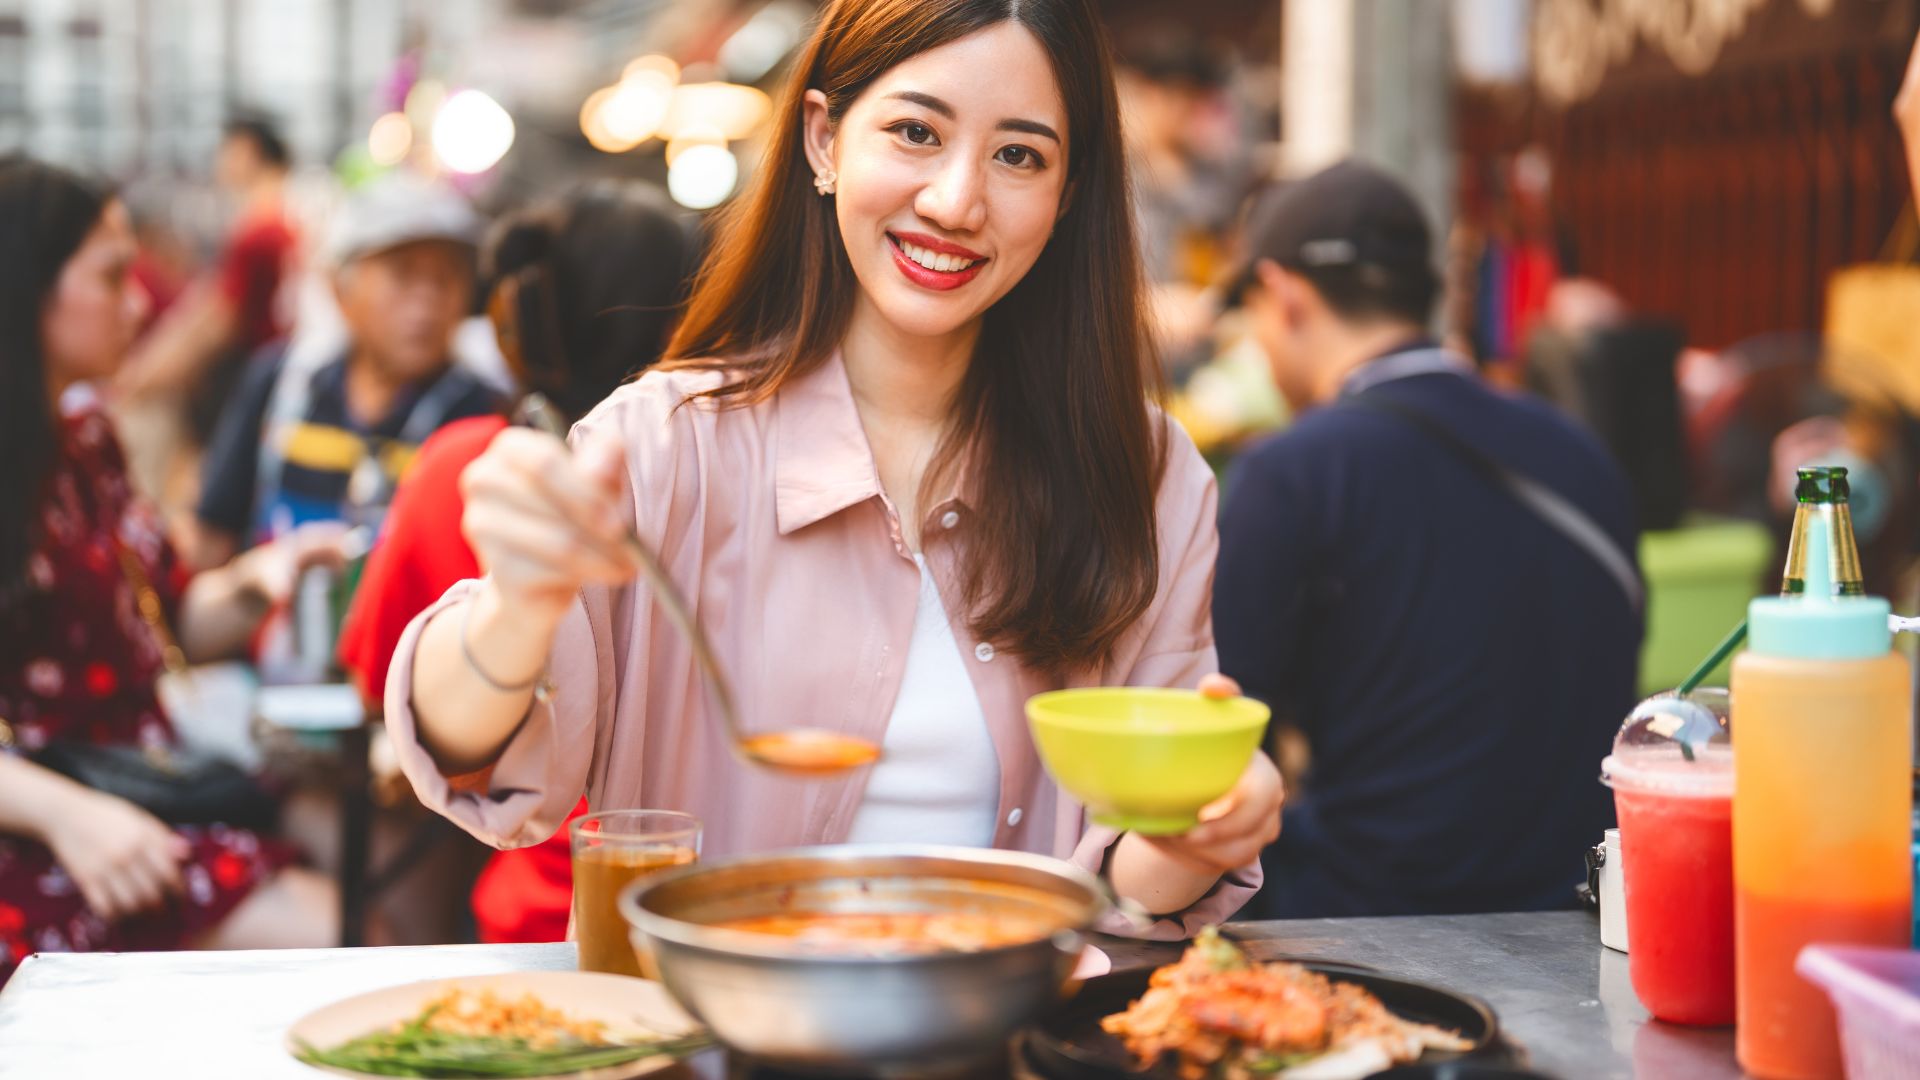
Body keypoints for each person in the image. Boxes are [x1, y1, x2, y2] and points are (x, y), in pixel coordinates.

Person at [387, 0, 1281, 936]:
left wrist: (1197, 836)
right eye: (914, 132)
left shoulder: (1142, 475)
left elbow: (1128, 884)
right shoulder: (662, 443)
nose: (955, 201)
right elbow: (475, 759)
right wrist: (514, 614)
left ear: (1067, 192)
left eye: (1019, 155)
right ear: (823, 139)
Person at [1212, 160, 1642, 918]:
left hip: (1365, 921)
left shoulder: (1291, 471)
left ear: (1283, 297)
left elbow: (1219, 744)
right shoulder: (1580, 450)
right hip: (1581, 910)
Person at [0, 157, 339, 986]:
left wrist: (262, 578)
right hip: (46, 819)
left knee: (375, 841)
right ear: (25, 287)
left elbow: (169, 620)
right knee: (339, 932)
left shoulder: (85, 436)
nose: (142, 299)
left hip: (139, 781)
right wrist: (69, 816)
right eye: (112, 277)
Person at [336, 180, 698, 943]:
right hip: (696, 909)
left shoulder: (462, 463)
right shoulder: (707, 478)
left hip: (536, 906)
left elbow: (375, 679)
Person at [187, 175, 500, 573]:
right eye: (403, 275)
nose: (428, 299)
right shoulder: (282, 381)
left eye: (446, 278)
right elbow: (213, 535)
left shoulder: (481, 410)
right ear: (341, 289)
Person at [114, 116, 302, 508]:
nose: (221, 162)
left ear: (248, 151)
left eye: (227, 150)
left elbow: (216, 320)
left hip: (249, 381)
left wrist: (144, 377)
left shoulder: (260, 228)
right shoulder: (283, 219)